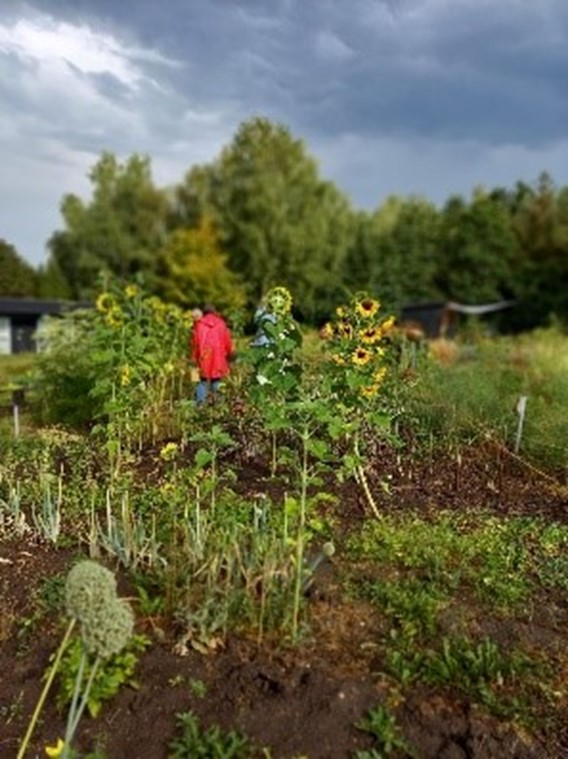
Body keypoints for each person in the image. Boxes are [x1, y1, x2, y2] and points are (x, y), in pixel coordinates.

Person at [190, 304, 234, 405]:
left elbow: (195, 344)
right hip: (218, 357)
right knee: (216, 380)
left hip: (202, 356)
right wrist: (230, 355)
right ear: (214, 312)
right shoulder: (221, 324)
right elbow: (227, 342)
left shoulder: (198, 324)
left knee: (201, 381)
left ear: (203, 313)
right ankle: (219, 406)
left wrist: (193, 359)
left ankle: (200, 405)